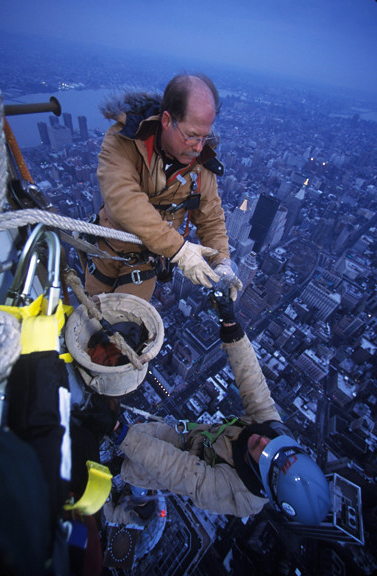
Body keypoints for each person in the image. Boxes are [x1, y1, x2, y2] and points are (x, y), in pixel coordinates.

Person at [110, 290, 332, 525]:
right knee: (140, 437)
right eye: (275, 445)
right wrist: (231, 327)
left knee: (135, 467)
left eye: (265, 457)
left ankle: (131, 495)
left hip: (188, 459)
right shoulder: (272, 429)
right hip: (190, 436)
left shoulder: (237, 494)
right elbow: (252, 380)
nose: (263, 441)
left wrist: (119, 433)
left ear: (264, 482)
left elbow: (178, 470)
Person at [85, 73, 242, 302]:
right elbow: (124, 201)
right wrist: (179, 250)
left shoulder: (201, 166)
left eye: (204, 138)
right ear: (167, 121)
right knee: (91, 312)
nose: (199, 147)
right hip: (106, 248)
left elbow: (211, 218)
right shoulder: (124, 140)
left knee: (126, 323)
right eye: (191, 136)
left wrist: (222, 262)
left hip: (146, 259)